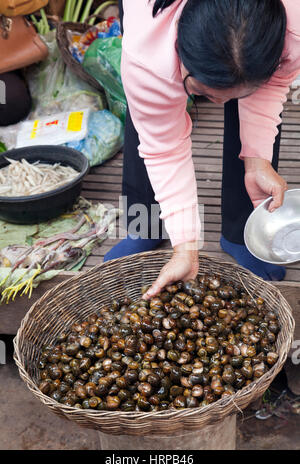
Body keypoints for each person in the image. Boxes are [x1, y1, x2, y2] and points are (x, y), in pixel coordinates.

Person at [104, 0, 300, 299]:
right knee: (150, 120)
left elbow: (273, 85)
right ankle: (143, 226)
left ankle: (241, 233)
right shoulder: (148, 53)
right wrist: (185, 246)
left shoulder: (293, 29)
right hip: (159, 33)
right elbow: (163, 147)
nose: (220, 104)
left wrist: (257, 160)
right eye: (203, 93)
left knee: (246, 85)